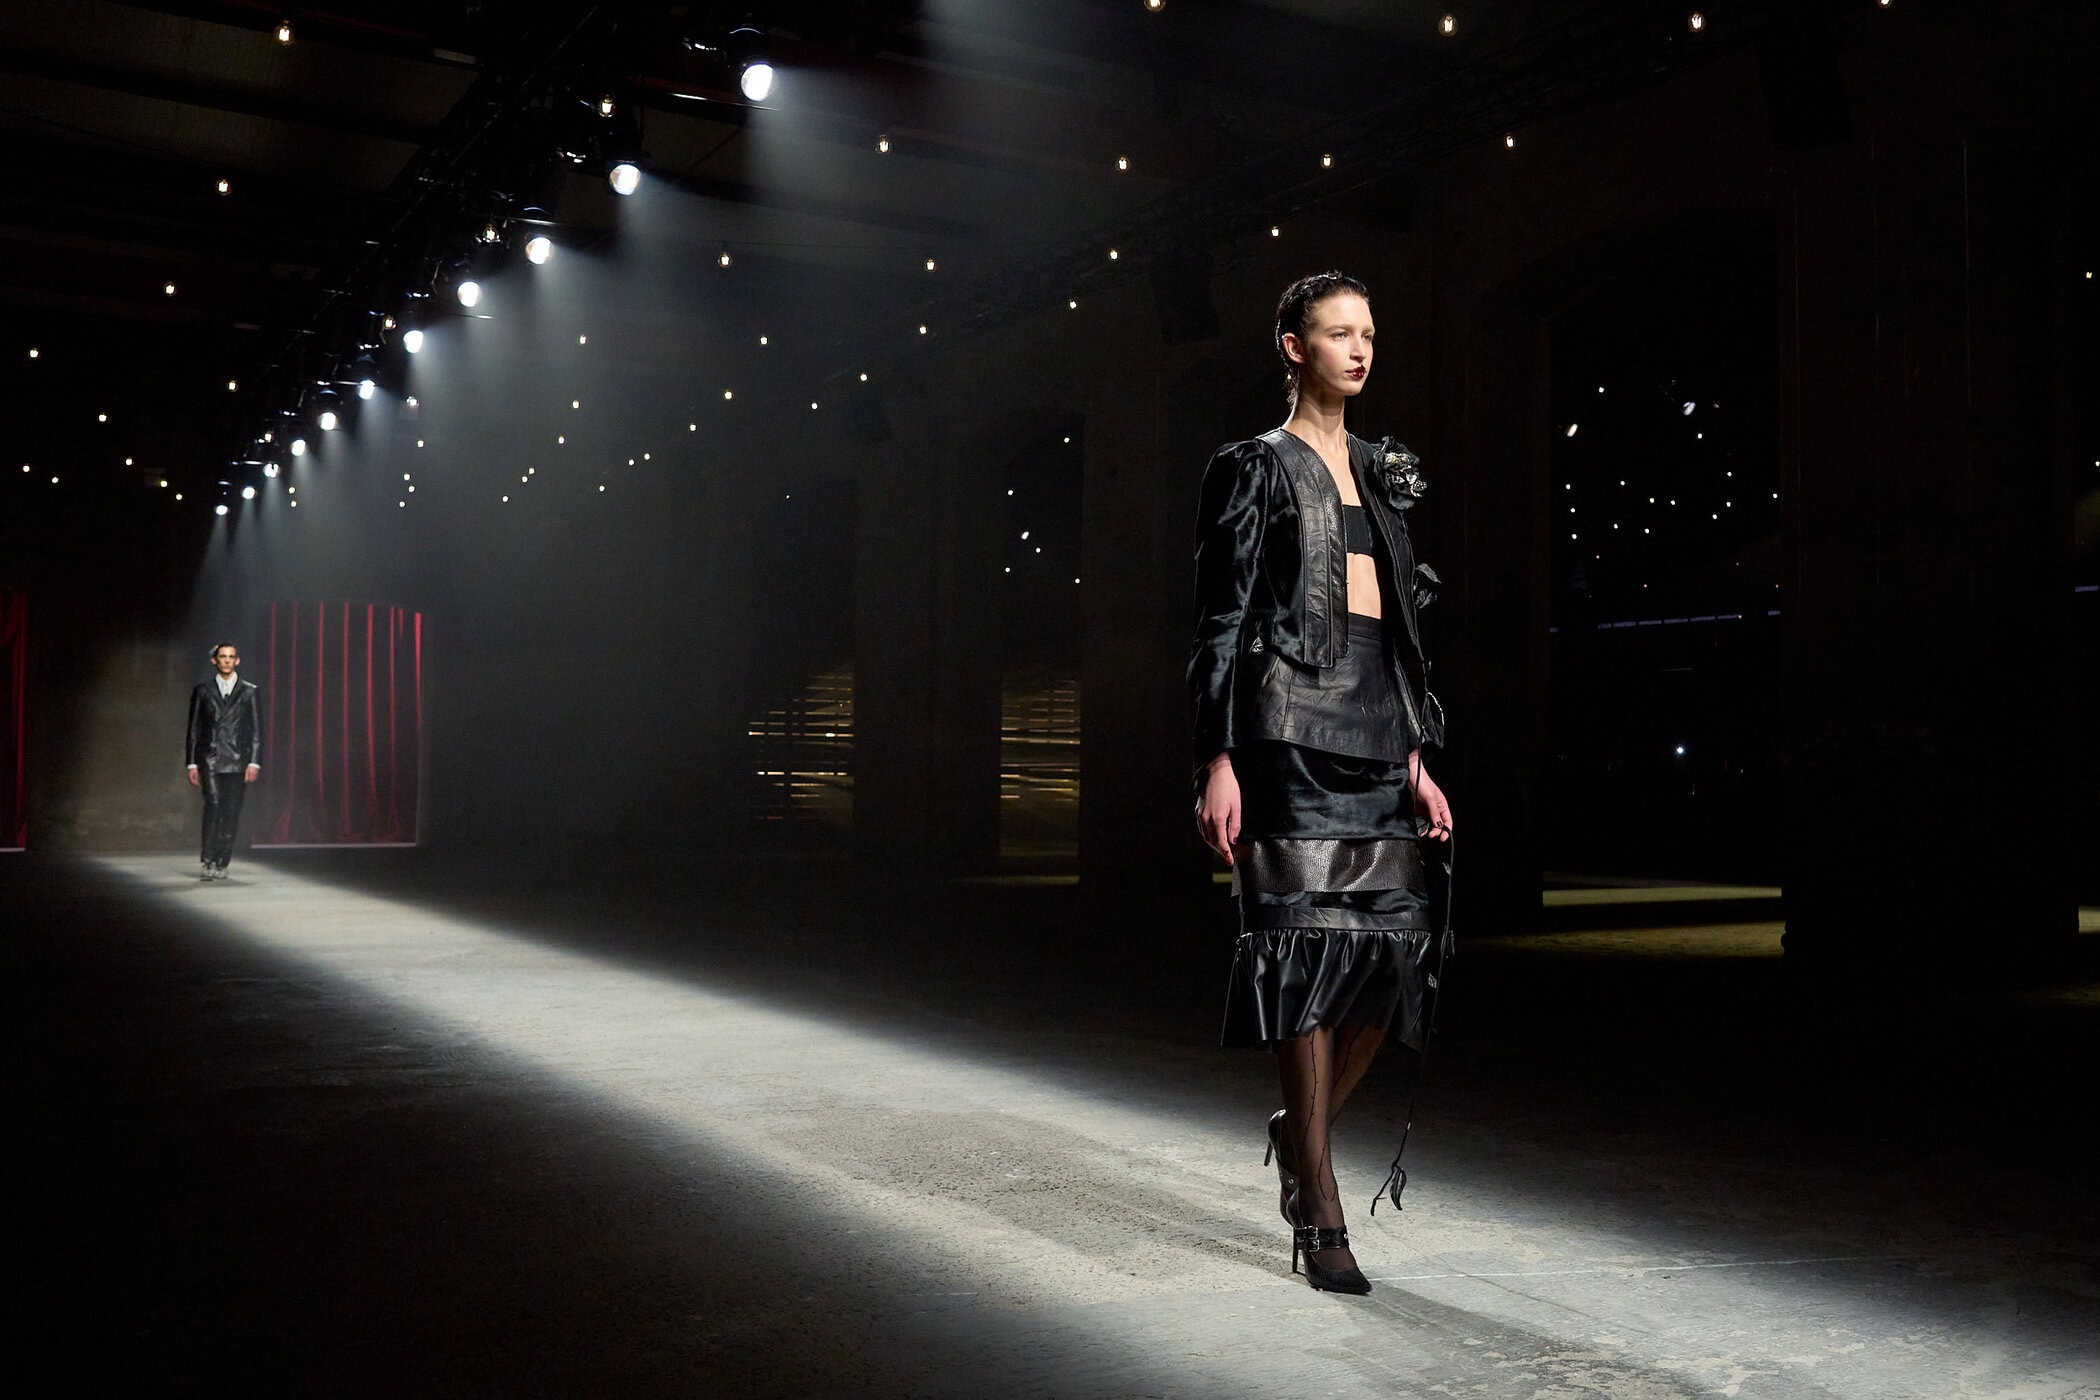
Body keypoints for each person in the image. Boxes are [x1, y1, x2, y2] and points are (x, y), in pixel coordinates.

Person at [1188, 271, 1455, 1295]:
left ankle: (1298, 1133)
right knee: (1301, 953)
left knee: (1395, 956)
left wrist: (1418, 757)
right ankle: (1322, 1203)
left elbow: (1405, 629)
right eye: (1338, 332)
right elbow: (1220, 619)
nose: (1360, 348)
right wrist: (1217, 758)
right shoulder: (1253, 466)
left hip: (1380, 733)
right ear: (1293, 347)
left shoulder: (1383, 473)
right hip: (1285, 733)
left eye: (1369, 333)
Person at [186, 642, 261, 881]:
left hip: (237, 759)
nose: (227, 660)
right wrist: (191, 762)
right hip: (210, 757)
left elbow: (256, 730)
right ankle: (208, 859)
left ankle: (222, 860)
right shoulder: (202, 691)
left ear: (237, 660)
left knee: (231, 810)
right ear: (214, 660)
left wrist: (254, 762)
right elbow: (194, 729)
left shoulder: (249, 691)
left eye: (231, 657)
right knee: (214, 804)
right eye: (222, 656)